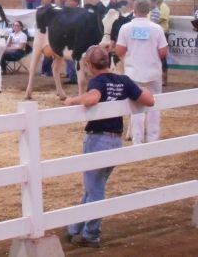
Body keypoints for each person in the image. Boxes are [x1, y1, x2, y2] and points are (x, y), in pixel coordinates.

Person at [64, 46, 155, 248]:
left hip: (98, 140)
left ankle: (91, 234)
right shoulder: (123, 80)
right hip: (116, 140)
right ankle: (75, 227)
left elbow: (93, 98)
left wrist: (73, 100)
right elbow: (148, 100)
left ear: (89, 64)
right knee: (93, 186)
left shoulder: (97, 82)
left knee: (95, 189)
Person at [115, 0, 167, 144]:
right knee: (154, 104)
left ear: (134, 9)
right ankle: (153, 138)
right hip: (153, 73)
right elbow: (163, 52)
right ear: (148, 10)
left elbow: (119, 50)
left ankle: (137, 139)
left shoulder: (125, 28)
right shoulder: (157, 29)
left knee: (136, 106)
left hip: (133, 73)